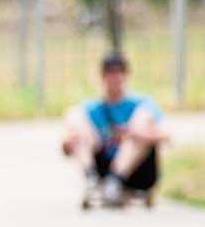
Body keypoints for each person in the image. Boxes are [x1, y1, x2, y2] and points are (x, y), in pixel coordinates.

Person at [61, 53, 168, 207]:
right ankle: (92, 179)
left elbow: (167, 136)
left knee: (139, 127)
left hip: (138, 169)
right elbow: (67, 148)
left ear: (126, 76)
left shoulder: (141, 104)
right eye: (110, 74)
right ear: (102, 77)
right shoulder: (92, 109)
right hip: (103, 164)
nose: (114, 79)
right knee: (73, 115)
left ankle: (116, 181)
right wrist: (71, 142)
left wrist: (134, 133)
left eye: (118, 73)